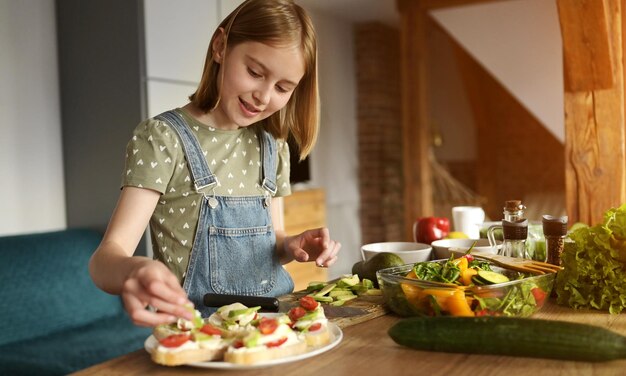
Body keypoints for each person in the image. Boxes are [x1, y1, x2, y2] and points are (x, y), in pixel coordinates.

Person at [89, 0, 341, 327]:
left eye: (282, 87)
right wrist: (135, 269)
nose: (263, 96)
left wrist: (291, 245)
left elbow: (271, 245)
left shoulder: (272, 145)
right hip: (200, 334)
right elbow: (105, 259)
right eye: (254, 72)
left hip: (274, 328)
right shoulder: (163, 138)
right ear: (221, 47)